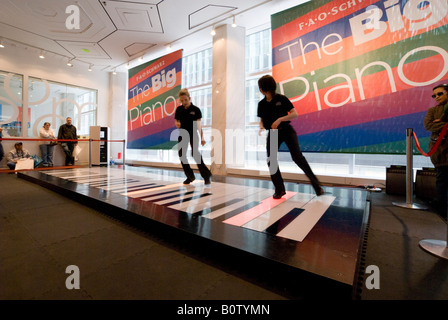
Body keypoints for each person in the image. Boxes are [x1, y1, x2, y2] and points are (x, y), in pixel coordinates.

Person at [257, 75, 323, 199]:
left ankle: (317, 186)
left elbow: (294, 114)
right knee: (271, 161)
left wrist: (280, 119)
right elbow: (261, 119)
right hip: (273, 133)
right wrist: (261, 126)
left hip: (287, 130)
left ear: (263, 88)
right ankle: (279, 189)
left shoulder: (281, 99)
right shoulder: (261, 104)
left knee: (297, 157)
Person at [174, 88, 212, 185]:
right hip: (183, 133)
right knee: (182, 155)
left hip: (193, 133)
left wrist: (202, 138)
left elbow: (199, 125)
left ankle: (206, 176)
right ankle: (190, 176)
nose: (184, 102)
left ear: (189, 98)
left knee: (195, 154)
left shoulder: (196, 110)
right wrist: (177, 123)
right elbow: (176, 121)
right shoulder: (179, 109)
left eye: (185, 100)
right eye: (182, 101)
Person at [423, 83, 448, 219]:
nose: (436, 97)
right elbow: (428, 125)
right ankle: (442, 206)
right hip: (441, 150)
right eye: (434, 95)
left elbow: (434, 125)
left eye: (440, 94)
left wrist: (440, 123)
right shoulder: (432, 111)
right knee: (442, 179)